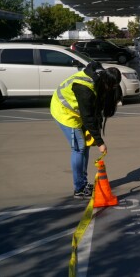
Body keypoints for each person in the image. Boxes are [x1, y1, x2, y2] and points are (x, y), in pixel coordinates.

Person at [50, 61, 122, 199]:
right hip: (64, 112)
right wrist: (100, 142)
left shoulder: (100, 75)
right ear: (105, 83)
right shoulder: (85, 89)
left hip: (79, 111)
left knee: (86, 146)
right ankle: (79, 189)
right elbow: (88, 118)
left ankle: (83, 182)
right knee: (79, 148)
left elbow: (93, 64)